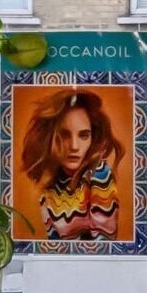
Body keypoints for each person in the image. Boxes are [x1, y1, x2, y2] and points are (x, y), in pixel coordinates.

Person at [17, 88, 128, 242]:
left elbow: (104, 246)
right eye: (64, 135)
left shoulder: (99, 175)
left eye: (84, 135)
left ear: (92, 138)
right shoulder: (48, 183)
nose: (74, 146)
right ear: (49, 138)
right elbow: (54, 244)